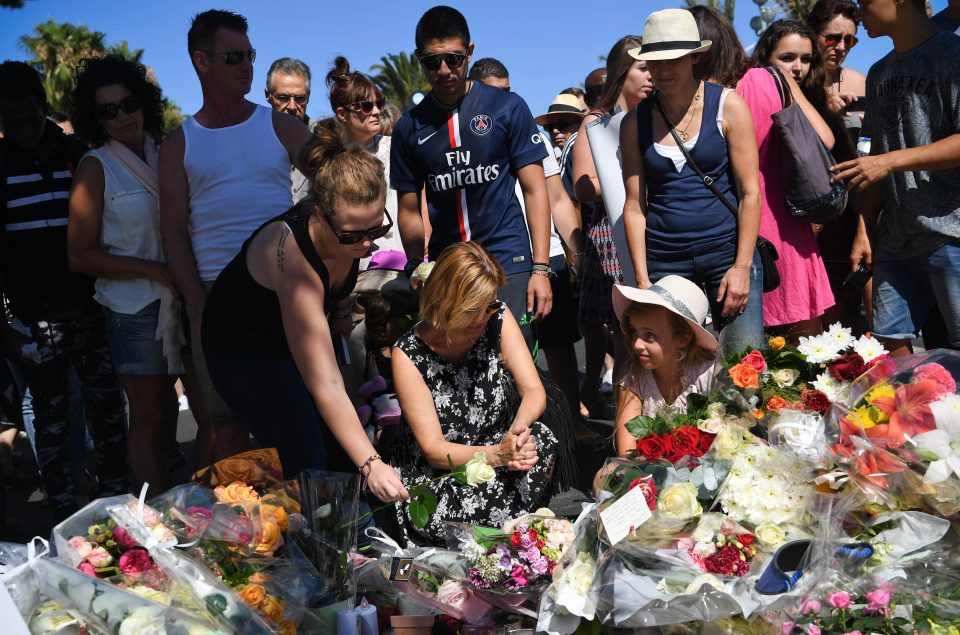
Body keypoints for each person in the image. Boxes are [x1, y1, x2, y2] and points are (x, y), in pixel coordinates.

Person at [202, 118, 408, 507]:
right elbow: (325, 385)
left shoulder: (347, 237)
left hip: (288, 336)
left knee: (338, 448)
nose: (366, 244)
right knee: (308, 455)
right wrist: (372, 464)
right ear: (319, 213)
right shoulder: (293, 259)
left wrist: (344, 311)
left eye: (376, 231)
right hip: (242, 350)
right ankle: (311, 551)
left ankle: (348, 544)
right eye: (352, 235)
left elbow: (340, 293)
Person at [159, 10, 311, 461]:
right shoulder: (179, 143)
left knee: (295, 414)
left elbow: (338, 189)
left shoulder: (281, 126)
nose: (246, 66)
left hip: (283, 290)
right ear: (201, 62)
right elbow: (172, 228)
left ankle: (302, 524)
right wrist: (197, 302)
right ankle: (245, 529)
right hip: (216, 295)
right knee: (226, 426)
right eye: (233, 57)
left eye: (249, 55)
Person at [0, 60, 128, 519]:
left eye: (29, 118)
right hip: (37, 319)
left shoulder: (78, 153)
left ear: (42, 107)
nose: (23, 130)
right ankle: (62, 510)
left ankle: (118, 502)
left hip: (95, 307)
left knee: (109, 412)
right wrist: (7, 331)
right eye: (10, 122)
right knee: (52, 424)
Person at [390, 6, 553, 349]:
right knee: (457, 363)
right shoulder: (408, 128)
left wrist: (540, 269)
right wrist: (415, 265)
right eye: (433, 62)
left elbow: (536, 190)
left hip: (509, 259)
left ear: (470, 52)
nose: (445, 70)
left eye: (454, 58)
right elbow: (407, 208)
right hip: (448, 266)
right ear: (419, 59)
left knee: (515, 362)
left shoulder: (508, 107)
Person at [391, 241, 559, 546]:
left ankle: (507, 529)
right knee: (461, 513)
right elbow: (433, 449)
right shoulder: (408, 355)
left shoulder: (497, 316)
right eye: (472, 312)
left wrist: (517, 431)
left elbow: (533, 390)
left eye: (490, 306)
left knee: (541, 440)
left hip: (497, 444)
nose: (483, 319)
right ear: (445, 305)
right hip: (445, 468)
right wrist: (497, 456)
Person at [67, 55, 179, 496]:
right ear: (94, 119)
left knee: (171, 410)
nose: (121, 116)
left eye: (127, 104)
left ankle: (179, 506)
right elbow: (79, 255)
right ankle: (156, 522)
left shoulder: (166, 151)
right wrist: (152, 269)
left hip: (178, 298)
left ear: (143, 103)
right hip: (132, 309)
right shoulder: (96, 167)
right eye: (107, 111)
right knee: (149, 418)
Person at [621, 9, 763, 354]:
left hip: (727, 253)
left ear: (695, 58)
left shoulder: (728, 106)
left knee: (743, 368)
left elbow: (750, 193)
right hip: (665, 260)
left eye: (674, 60)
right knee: (674, 371)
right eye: (655, 62)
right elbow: (635, 205)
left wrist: (742, 267)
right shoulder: (633, 123)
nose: (664, 70)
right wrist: (642, 279)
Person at [689, 7, 836, 341]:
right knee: (805, 352)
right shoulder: (771, 78)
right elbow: (824, 139)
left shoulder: (698, 96)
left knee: (741, 359)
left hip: (730, 231)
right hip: (786, 226)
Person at [834, 0, 960, 356]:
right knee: (888, 345)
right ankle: (909, 412)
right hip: (893, 239)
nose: (860, 11)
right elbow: (875, 160)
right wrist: (863, 230)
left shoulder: (952, 54)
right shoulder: (879, 72)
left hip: (950, 234)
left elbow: (884, 161)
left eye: (865, 2)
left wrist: (889, 162)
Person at [472, 59, 588, 440]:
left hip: (545, 257)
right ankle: (516, 434)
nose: (504, 99)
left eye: (508, 90)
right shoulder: (470, 138)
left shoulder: (528, 133)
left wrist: (574, 250)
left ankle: (571, 423)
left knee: (558, 344)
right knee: (507, 352)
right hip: (496, 261)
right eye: (495, 91)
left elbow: (556, 197)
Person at [752, 19, 865, 334]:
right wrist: (784, 83)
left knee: (808, 337)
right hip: (768, 224)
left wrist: (792, 87)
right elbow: (823, 140)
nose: (798, 67)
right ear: (766, 58)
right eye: (787, 58)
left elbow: (826, 141)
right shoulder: (752, 86)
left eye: (805, 59)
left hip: (800, 224)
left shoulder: (805, 95)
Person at [574, 41, 653, 413]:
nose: (651, 76)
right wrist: (630, 179)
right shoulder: (597, 120)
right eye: (642, 68)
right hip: (611, 234)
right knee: (626, 337)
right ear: (623, 72)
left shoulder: (658, 115)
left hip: (655, 230)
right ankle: (627, 429)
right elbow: (582, 184)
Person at [609, 276, 718, 457]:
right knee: (602, 476)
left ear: (683, 338)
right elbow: (627, 452)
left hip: (705, 469)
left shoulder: (707, 375)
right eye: (635, 331)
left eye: (649, 335)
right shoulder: (635, 379)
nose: (637, 344)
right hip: (653, 471)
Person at [264, 57, 314, 202]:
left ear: (308, 97)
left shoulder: (323, 139)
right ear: (268, 95)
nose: (292, 107)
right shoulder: (252, 141)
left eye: (299, 98)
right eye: (283, 98)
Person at [807, 0, 866, 118]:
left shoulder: (857, 82)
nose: (841, 48)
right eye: (832, 39)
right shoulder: (795, 79)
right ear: (813, 34)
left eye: (849, 41)